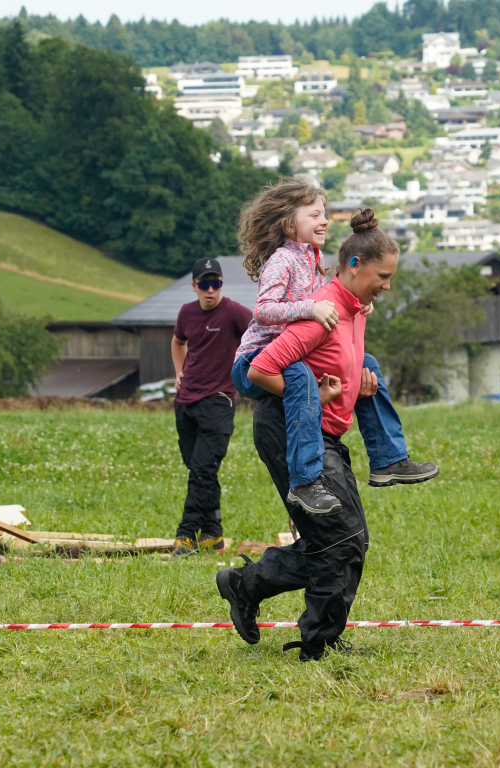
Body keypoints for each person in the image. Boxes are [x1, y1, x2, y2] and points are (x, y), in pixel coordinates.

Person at [216, 209, 399, 661]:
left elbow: (333, 369)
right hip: (287, 426)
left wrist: (358, 386)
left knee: (348, 539)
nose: (386, 286)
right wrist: (315, 396)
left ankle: (250, 586)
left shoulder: (349, 307)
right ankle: (318, 642)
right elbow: (262, 368)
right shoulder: (321, 309)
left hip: (320, 431)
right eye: (382, 276)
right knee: (339, 538)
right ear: (355, 265)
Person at [230, 178, 438, 517]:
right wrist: (310, 309)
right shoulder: (283, 259)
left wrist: (359, 303)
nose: (324, 221)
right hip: (256, 358)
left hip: (292, 354)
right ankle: (304, 482)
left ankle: (388, 458)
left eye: (324, 214)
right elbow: (264, 311)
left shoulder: (313, 258)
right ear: (289, 224)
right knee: (301, 378)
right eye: (314, 215)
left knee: (367, 363)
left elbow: (331, 297)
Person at [170, 258, 253, 557]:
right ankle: (213, 534)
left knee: (202, 471)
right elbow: (177, 342)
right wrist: (179, 373)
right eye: (204, 284)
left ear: (221, 285)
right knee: (199, 469)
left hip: (219, 401)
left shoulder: (235, 313)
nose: (210, 290)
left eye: (215, 283)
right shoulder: (186, 312)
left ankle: (186, 535)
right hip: (185, 402)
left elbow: (263, 334)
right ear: (194, 286)